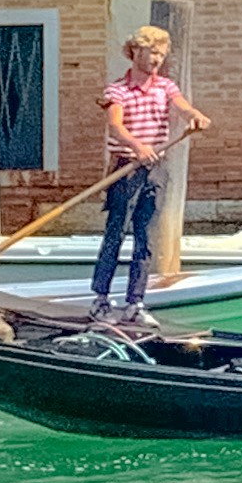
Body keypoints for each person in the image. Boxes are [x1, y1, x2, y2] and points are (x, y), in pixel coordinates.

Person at [90, 29, 211, 321]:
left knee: (146, 237)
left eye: (160, 54)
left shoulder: (165, 86)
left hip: (154, 169)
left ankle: (136, 303)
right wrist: (137, 146)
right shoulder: (116, 90)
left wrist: (195, 116)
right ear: (136, 52)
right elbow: (116, 126)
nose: (156, 59)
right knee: (115, 233)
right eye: (152, 53)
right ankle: (101, 299)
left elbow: (183, 106)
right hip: (126, 167)